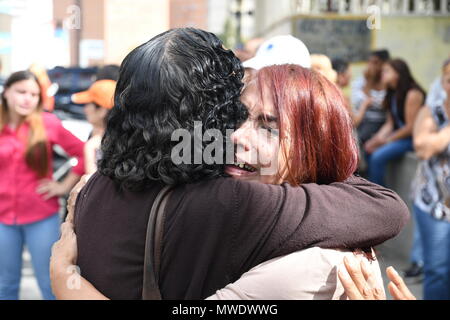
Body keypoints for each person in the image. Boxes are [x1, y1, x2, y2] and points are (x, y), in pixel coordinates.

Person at [50, 28, 408, 300]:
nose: (235, 136)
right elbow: (385, 208)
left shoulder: (94, 188)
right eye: (236, 116)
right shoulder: (230, 204)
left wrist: (66, 279)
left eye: (267, 127)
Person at [0, 70, 84, 300]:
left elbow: (84, 152)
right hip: (3, 219)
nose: (28, 98)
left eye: (34, 94)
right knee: (5, 284)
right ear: (6, 92)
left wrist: (63, 186)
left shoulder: (48, 123)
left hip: (40, 216)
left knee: (50, 284)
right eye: (21, 92)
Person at [411, 58, 450, 300]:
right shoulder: (431, 111)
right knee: (438, 271)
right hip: (434, 204)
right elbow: (423, 148)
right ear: (443, 82)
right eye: (449, 79)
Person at [365, 58, 426, 187]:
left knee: (377, 157)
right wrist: (376, 138)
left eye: (387, 71)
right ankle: (373, 190)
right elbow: (390, 124)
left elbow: (410, 127)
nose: (382, 74)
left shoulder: (413, 93)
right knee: (368, 148)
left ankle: (380, 198)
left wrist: (386, 141)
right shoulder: (392, 93)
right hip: (400, 136)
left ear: (398, 73)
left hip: (412, 138)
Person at [71, 79, 116, 174]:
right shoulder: (126, 139)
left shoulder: (94, 146)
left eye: (88, 104)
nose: (85, 109)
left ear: (102, 111)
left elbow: (92, 183)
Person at [351, 50, 390, 146]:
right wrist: (369, 82)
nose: (371, 66)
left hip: (381, 122)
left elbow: (383, 104)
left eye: (376, 63)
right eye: (369, 62)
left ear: (384, 65)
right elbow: (357, 101)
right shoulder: (361, 82)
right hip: (363, 121)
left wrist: (369, 102)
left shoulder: (388, 83)